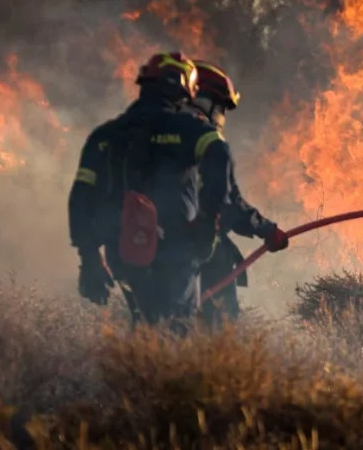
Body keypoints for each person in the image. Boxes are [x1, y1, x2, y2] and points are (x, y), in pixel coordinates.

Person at [66, 52, 286, 328]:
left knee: (146, 324)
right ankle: (193, 363)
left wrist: (88, 258)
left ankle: (143, 365)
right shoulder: (191, 132)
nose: (220, 118)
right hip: (177, 248)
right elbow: (227, 195)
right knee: (184, 327)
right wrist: (237, 228)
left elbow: (82, 199)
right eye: (220, 109)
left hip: (123, 250)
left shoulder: (108, 134)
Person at [187, 59, 286, 326]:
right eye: (220, 108)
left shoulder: (152, 133)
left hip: (149, 247)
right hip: (200, 245)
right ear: (204, 101)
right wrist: (266, 229)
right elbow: (228, 202)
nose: (221, 117)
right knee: (218, 322)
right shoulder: (203, 138)